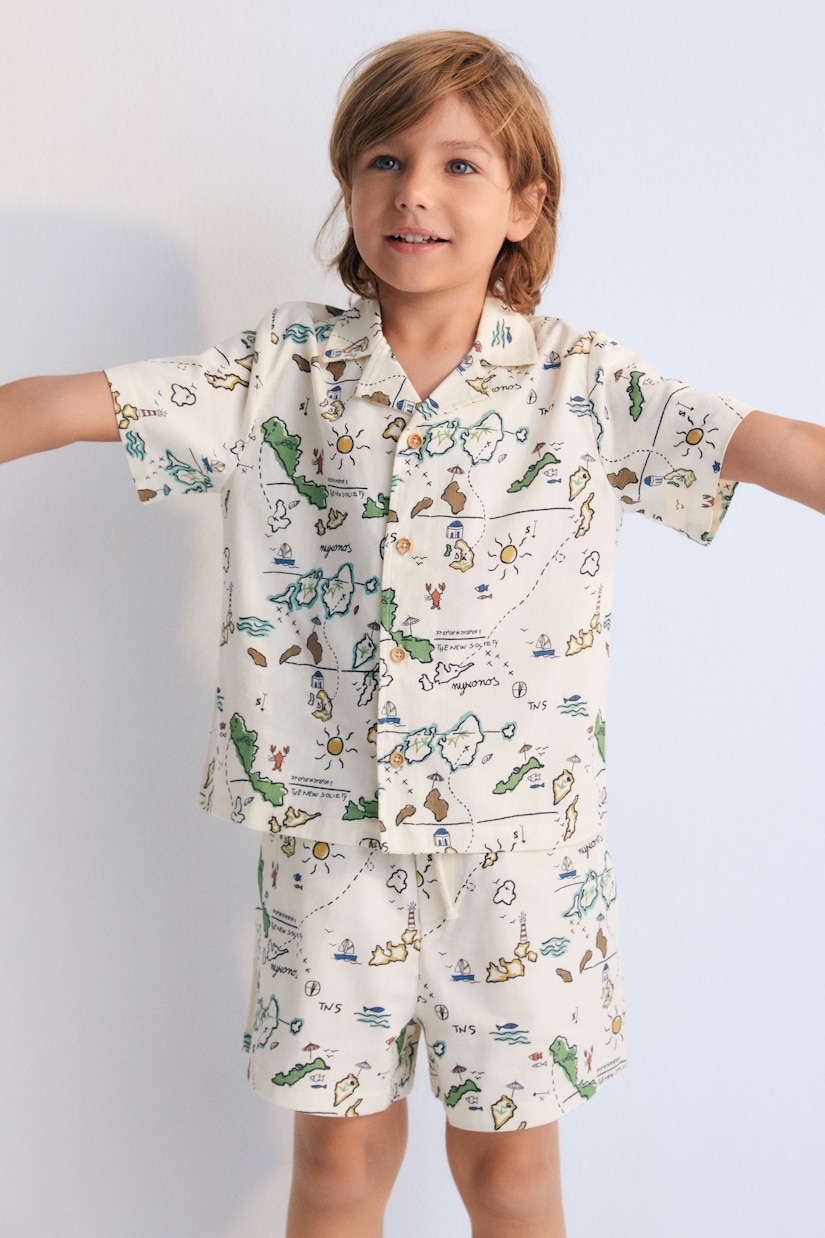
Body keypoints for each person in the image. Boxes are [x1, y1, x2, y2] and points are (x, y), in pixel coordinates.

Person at [1, 28, 823, 1238]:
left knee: (511, 1172)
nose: (414, 192)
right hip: (329, 841)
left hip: (521, 858)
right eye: (383, 160)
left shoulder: (586, 383)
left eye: (458, 164)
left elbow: (774, 445)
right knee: (337, 1164)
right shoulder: (279, 371)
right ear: (347, 187)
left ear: (526, 204)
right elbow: (68, 403)